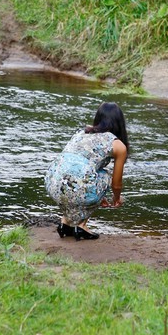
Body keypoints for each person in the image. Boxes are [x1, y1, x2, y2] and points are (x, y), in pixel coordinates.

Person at [45, 101, 129, 240]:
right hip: (76, 186)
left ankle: (65, 222)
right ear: (120, 122)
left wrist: (97, 195)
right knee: (105, 175)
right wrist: (116, 198)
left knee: (74, 178)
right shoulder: (117, 145)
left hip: (51, 182)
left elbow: (70, 168)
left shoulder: (82, 133)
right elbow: (116, 184)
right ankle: (81, 225)